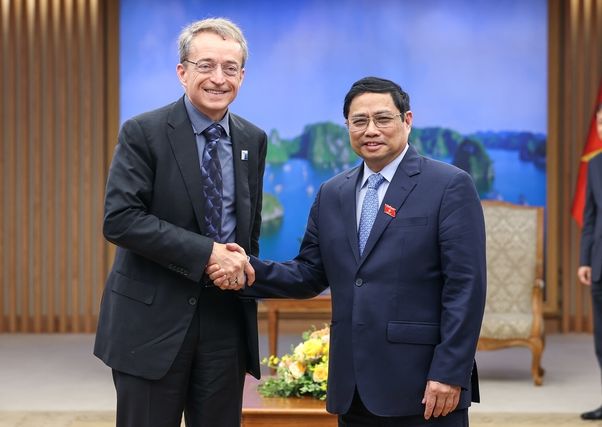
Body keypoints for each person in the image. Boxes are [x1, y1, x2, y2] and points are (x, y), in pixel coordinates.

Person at [210, 76, 487, 426]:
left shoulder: (448, 185)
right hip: (351, 387)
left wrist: (450, 372)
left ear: (407, 120)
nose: (371, 129)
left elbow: (466, 288)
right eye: (359, 121)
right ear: (348, 127)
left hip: (424, 385)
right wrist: (243, 269)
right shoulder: (332, 193)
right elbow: (309, 273)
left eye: (383, 118)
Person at [94, 17, 266, 427]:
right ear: (182, 71)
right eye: (205, 65)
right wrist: (208, 252)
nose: (218, 78)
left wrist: (239, 265)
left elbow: (250, 226)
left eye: (230, 68)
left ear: (242, 75)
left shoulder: (252, 139)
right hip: (151, 323)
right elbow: (120, 220)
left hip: (225, 322)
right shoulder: (144, 132)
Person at [578, 101, 602, 421]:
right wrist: (585, 259)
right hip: (599, 266)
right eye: (600, 124)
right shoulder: (594, 164)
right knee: (601, 343)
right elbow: (590, 216)